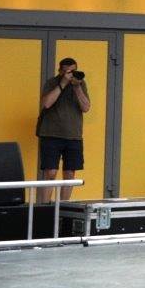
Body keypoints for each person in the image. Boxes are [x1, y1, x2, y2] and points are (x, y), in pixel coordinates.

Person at [36, 57, 91, 203]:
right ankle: (45, 207)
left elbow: (86, 107)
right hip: (51, 134)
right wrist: (63, 84)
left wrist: (77, 87)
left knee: (70, 173)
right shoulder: (52, 82)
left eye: (74, 71)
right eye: (68, 72)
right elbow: (46, 104)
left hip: (73, 136)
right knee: (50, 172)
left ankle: (64, 206)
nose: (71, 74)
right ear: (60, 71)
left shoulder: (80, 84)